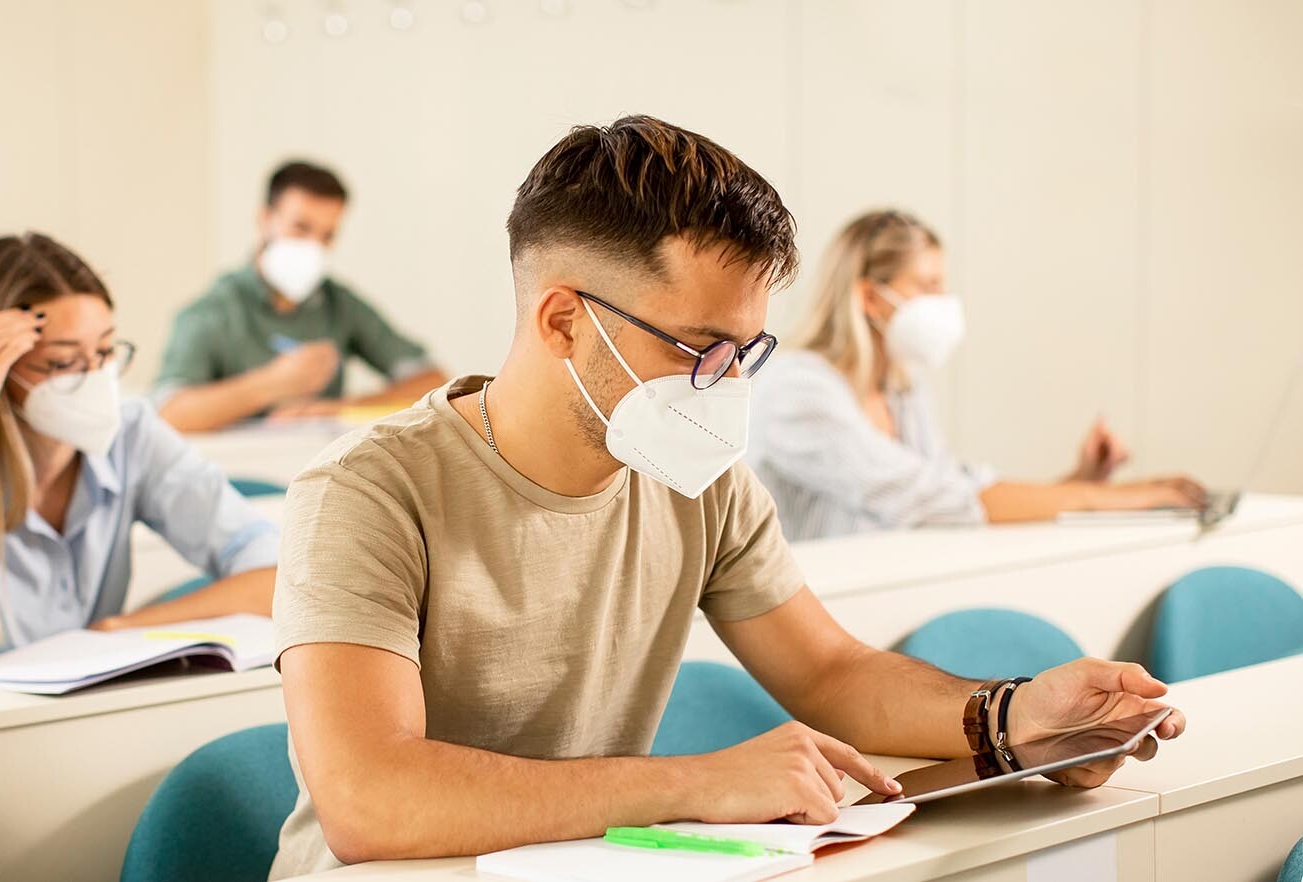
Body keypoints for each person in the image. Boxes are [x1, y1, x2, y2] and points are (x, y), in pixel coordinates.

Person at [267, 117, 1186, 877]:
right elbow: (369, 799)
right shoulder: (365, 492)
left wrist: (1017, 717)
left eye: (746, 352)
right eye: (698, 347)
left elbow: (832, 674)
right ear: (561, 322)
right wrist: (692, 782)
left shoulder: (696, 477)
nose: (725, 385)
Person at [0, 233, 281, 673]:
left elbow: (283, 579)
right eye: (63, 363)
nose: (96, 377)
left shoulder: (132, 434)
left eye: (104, 352)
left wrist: (122, 627)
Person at [748, 209, 1208, 541]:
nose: (944, 301)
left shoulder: (901, 388)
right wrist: (1115, 499)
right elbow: (927, 499)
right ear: (870, 298)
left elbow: (962, 488)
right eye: (928, 286)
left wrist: (1084, 480)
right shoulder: (796, 390)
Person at [155, 161, 447, 431]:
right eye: (301, 228)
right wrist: (272, 384)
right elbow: (169, 415)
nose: (313, 246)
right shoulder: (213, 311)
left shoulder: (339, 304)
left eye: (327, 236)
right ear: (265, 220)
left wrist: (340, 409)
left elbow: (434, 382)